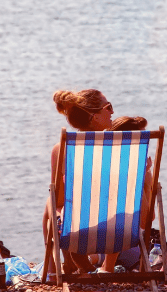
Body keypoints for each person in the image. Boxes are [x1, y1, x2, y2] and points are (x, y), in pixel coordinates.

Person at [44, 89, 114, 274]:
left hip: (78, 228)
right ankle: (77, 262)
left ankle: (54, 269)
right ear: (94, 116)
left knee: (50, 203)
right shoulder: (120, 146)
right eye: (108, 107)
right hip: (118, 227)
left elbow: (58, 201)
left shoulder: (61, 150)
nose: (113, 112)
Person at [96, 116, 155, 273]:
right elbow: (146, 221)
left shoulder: (96, 167)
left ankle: (88, 264)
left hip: (84, 243)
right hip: (124, 247)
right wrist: (141, 180)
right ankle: (107, 268)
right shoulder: (129, 174)